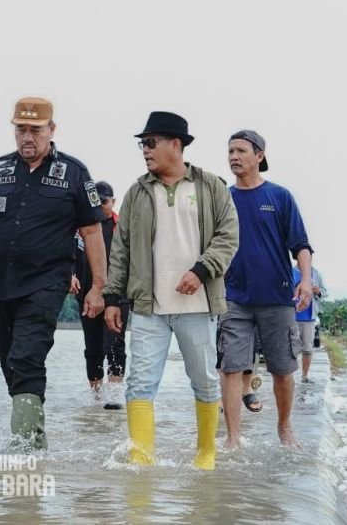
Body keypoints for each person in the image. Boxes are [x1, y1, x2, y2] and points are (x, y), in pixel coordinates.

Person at [0, 97, 106, 450]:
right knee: (11, 360)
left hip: (47, 282)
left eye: (35, 130)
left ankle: (26, 447)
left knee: (26, 357)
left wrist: (98, 288)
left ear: (52, 130)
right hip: (0, 284)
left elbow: (92, 233)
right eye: (21, 130)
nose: (27, 137)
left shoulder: (74, 174)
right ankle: (33, 436)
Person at [103, 111, 239, 470]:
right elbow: (121, 248)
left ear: (175, 145)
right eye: (142, 144)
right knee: (139, 384)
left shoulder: (211, 187)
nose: (144, 150)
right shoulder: (137, 192)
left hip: (198, 305)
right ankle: (141, 463)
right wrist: (113, 298)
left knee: (206, 381)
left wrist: (201, 270)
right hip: (149, 308)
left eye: (151, 143)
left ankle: (206, 455)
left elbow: (228, 238)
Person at [219, 129, 314, 449]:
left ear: (259, 156)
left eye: (241, 151)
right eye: (230, 151)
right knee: (231, 366)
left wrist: (304, 280)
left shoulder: (280, 196)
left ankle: (285, 428)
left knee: (283, 368)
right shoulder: (224, 199)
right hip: (234, 298)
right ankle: (233, 438)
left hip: (277, 298)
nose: (234, 156)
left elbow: (301, 245)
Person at [70, 180, 128, 409]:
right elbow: (68, 254)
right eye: (96, 201)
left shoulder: (122, 226)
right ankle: (96, 396)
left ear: (113, 202)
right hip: (87, 293)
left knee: (116, 342)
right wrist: (70, 274)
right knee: (92, 345)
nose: (100, 205)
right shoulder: (79, 227)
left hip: (119, 294)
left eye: (104, 201)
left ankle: (114, 394)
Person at [292, 265, 327, 382]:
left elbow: (324, 293)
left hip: (309, 318)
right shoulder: (290, 271)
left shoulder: (316, 274)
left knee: (307, 348)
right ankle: (289, 376)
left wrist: (319, 292)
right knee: (291, 348)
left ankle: (304, 376)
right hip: (292, 317)